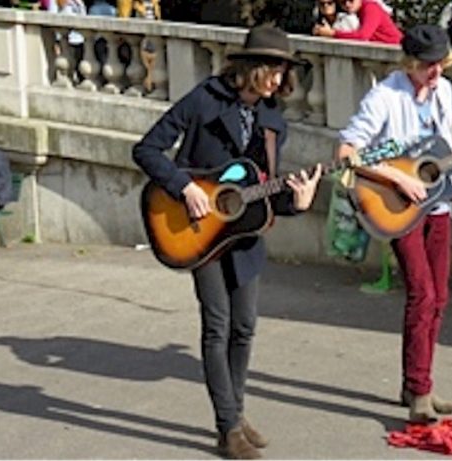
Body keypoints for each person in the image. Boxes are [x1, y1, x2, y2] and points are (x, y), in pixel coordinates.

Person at [132, 26, 322, 459]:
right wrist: (185, 187)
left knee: (244, 326)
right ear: (250, 67)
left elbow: (263, 191)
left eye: (283, 71)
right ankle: (228, 427)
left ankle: (234, 410)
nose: (278, 79)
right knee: (217, 325)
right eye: (272, 69)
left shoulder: (273, 121)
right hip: (196, 228)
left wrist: (298, 202)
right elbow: (147, 150)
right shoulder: (205, 99)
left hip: (242, 232)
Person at [336, 24, 452, 423]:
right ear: (409, 63)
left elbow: (445, 150)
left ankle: (417, 380)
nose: (436, 71)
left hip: (438, 205)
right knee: (422, 294)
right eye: (427, 65)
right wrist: (399, 178)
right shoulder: (384, 96)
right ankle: (419, 392)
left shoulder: (445, 91)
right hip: (397, 207)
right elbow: (346, 153)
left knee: (439, 297)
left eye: (441, 63)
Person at [313, 0, 402, 44]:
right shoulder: (355, 13)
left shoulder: (370, 8)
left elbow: (363, 36)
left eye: (351, 0)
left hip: (396, 50)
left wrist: (332, 33)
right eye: (343, 2)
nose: (347, 4)